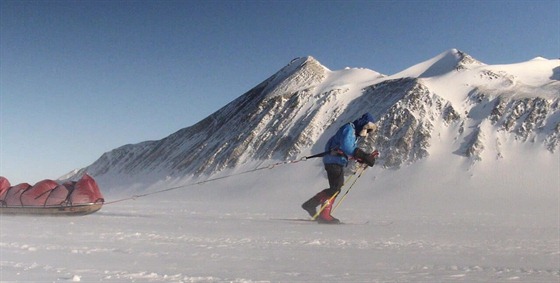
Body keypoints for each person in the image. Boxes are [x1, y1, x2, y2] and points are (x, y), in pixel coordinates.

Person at [301, 112, 379, 224]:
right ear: (363, 125)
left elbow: (346, 150)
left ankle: (310, 205)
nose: (366, 133)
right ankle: (324, 215)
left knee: (335, 187)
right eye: (367, 129)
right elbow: (346, 147)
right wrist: (363, 156)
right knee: (335, 188)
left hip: (334, 161)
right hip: (334, 161)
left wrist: (361, 158)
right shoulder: (349, 129)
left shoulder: (352, 132)